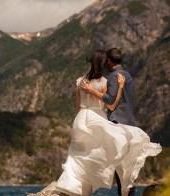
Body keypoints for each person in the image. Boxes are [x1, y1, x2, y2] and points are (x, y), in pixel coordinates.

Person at [54, 50, 162, 196]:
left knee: (80, 155)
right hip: (102, 119)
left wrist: (89, 97)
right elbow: (111, 104)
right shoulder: (117, 78)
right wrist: (120, 88)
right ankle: (125, 190)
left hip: (81, 118)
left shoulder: (81, 81)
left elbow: (78, 106)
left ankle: (76, 187)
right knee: (115, 159)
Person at [80, 48, 134, 195]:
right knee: (127, 163)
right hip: (130, 122)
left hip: (117, 122)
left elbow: (110, 102)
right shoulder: (128, 75)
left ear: (109, 61)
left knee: (119, 165)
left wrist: (91, 90)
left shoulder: (113, 77)